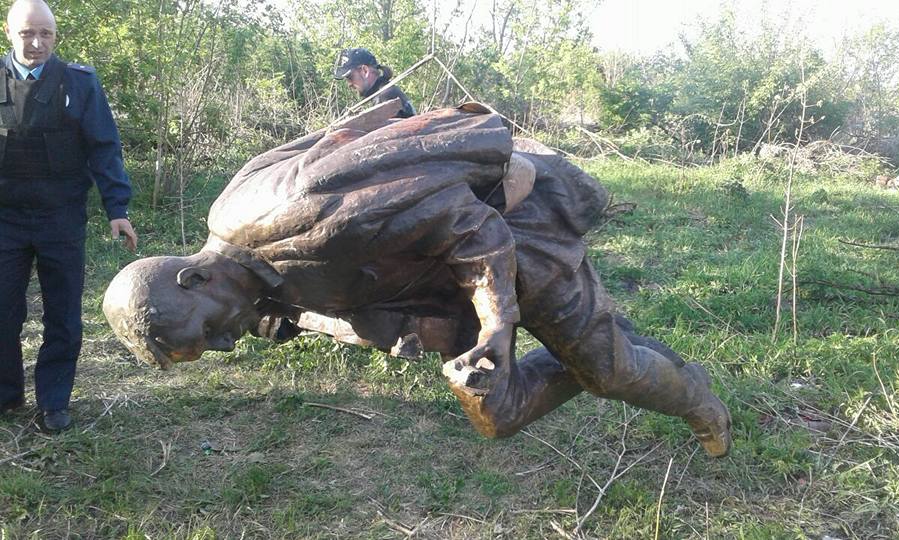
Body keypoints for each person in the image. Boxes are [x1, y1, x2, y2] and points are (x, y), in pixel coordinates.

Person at [103, 102, 731, 458]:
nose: (227, 342)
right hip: (443, 282)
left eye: (209, 331)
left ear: (193, 278)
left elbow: (472, 226)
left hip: (515, 235)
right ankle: (606, 344)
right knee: (497, 413)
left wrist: (498, 322)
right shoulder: (246, 274)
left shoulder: (298, 218)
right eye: (213, 348)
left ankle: (697, 401)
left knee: (608, 373)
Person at [0, 0, 137, 432]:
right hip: (4, 219)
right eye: (27, 33)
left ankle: (54, 402)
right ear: (9, 32)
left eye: (46, 34)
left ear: (55, 36)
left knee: (62, 315)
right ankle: (6, 395)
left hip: (60, 217)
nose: (37, 43)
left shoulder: (79, 83)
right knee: (3, 312)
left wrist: (117, 208)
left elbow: (104, 146)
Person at [333, 47, 416, 118]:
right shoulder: (386, 92)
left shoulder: (385, 97)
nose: (349, 84)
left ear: (365, 71)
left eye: (350, 77)